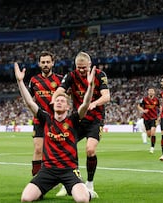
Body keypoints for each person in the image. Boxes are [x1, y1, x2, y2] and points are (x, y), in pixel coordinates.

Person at [15, 62, 98, 202]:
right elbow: (29, 102)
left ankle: (89, 192)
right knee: (25, 198)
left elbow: (85, 104)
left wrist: (90, 86)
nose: (59, 102)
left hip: (69, 170)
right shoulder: (46, 119)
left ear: (67, 106)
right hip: (47, 170)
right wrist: (20, 81)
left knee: (82, 200)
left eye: (62, 101)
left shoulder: (74, 120)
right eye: (57, 100)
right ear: (53, 105)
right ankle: (41, 190)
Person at [53, 51, 110, 196]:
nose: (81, 70)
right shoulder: (71, 76)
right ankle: (67, 184)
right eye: (79, 67)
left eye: (84, 67)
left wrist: (94, 104)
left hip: (95, 119)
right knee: (65, 147)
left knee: (90, 150)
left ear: (90, 65)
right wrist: (55, 99)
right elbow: (60, 89)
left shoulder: (99, 75)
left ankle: (90, 184)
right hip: (78, 118)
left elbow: (106, 96)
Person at [28, 51, 63, 176]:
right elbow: (30, 99)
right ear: (39, 64)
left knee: (57, 152)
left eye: (48, 62)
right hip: (39, 120)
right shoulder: (34, 80)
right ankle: (36, 181)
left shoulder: (60, 80)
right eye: (43, 62)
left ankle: (62, 179)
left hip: (56, 120)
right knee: (38, 149)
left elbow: (66, 98)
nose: (46, 64)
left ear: (53, 63)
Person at [137, 87, 160, 153]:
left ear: (154, 92)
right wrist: (143, 110)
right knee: (149, 134)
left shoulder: (157, 100)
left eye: (152, 91)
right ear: (148, 92)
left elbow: (160, 107)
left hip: (154, 118)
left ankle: (152, 147)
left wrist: (160, 116)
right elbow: (138, 106)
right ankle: (150, 139)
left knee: (153, 132)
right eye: (150, 91)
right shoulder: (144, 99)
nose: (151, 92)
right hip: (146, 119)